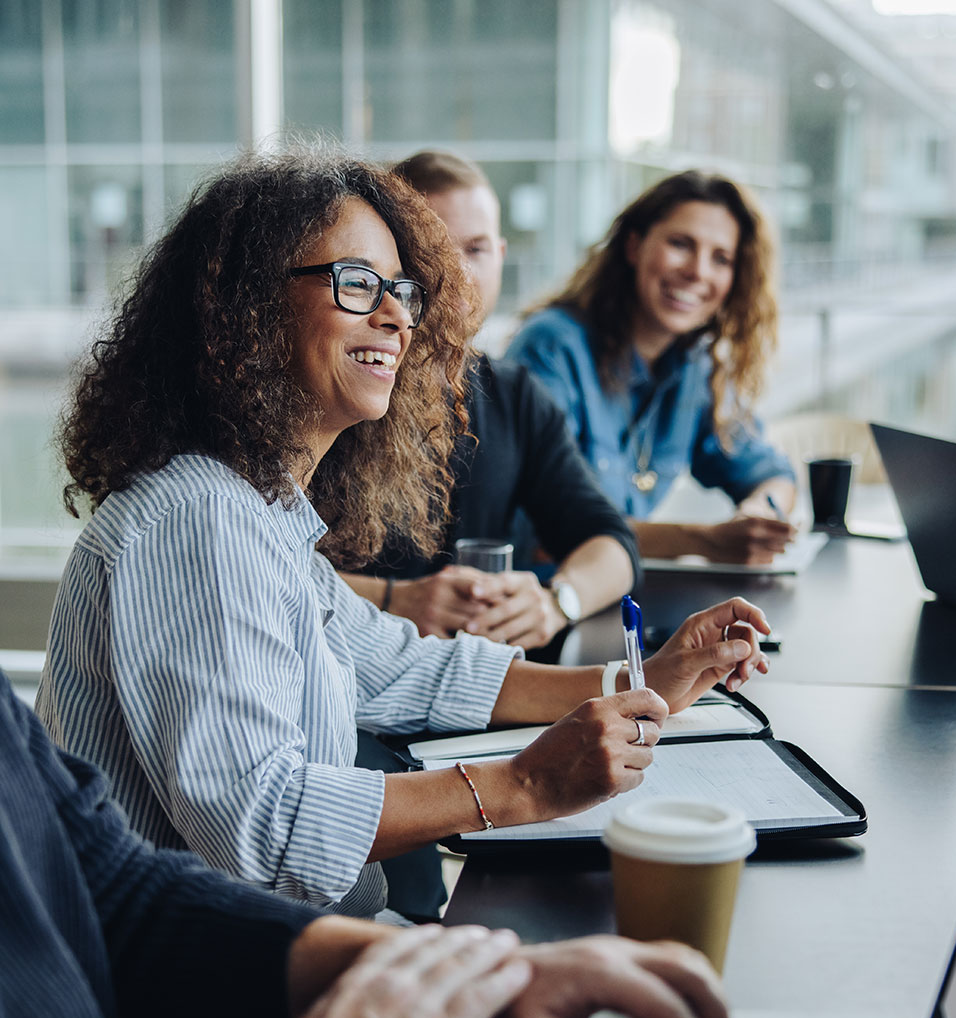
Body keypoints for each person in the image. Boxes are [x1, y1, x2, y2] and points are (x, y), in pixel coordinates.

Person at [37, 149, 772, 921]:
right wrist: (524, 785)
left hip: (288, 953)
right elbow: (265, 830)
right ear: (245, 308)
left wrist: (641, 683)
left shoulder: (257, 508)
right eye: (357, 284)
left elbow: (408, 670)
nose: (396, 315)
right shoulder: (197, 521)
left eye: (401, 290)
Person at [0, 670, 733, 1018]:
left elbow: (107, 892)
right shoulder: (193, 517)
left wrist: (469, 980)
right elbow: (256, 826)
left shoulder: (276, 517)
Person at [340, 150, 640, 650]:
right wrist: (394, 600)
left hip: (483, 692)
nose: (455, 272)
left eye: (475, 249)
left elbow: (612, 544)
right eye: (430, 249)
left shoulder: (515, 396)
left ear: (501, 257)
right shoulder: (344, 387)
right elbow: (265, 564)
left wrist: (556, 601)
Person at [505, 170, 800, 565]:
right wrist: (705, 541)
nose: (698, 271)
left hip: (621, 597)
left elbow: (770, 473)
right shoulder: (553, 347)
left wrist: (760, 515)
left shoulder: (695, 366)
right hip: (540, 601)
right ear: (633, 247)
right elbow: (545, 534)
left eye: (721, 258)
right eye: (681, 244)